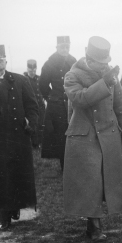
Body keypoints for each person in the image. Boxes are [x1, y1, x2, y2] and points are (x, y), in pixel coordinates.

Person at [63, 36, 122, 242]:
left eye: (106, 63)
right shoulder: (72, 75)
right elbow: (81, 99)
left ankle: (94, 223)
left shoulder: (109, 75)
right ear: (89, 59)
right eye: (100, 64)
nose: (104, 67)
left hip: (109, 134)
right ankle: (94, 226)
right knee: (90, 182)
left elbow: (120, 105)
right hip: (84, 137)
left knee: (105, 180)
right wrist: (104, 82)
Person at [0, 45, 39, 230]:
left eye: (0, 60)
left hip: (17, 137)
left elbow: (32, 107)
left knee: (15, 176)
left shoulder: (19, 81)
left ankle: (13, 208)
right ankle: (2, 214)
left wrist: (30, 123)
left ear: (6, 62)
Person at [39, 36, 77, 170]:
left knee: (75, 132)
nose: (65, 49)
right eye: (62, 47)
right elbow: (42, 85)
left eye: (67, 47)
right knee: (61, 134)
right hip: (57, 105)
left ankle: (75, 163)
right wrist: (52, 97)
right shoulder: (49, 63)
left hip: (73, 102)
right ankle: (64, 166)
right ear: (57, 47)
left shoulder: (73, 61)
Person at [24, 59, 46, 145]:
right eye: (30, 70)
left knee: (41, 124)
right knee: (32, 125)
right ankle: (33, 144)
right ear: (27, 69)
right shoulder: (24, 80)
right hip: (30, 108)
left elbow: (44, 90)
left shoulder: (39, 79)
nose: (32, 72)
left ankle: (39, 143)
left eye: (34, 70)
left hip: (40, 106)